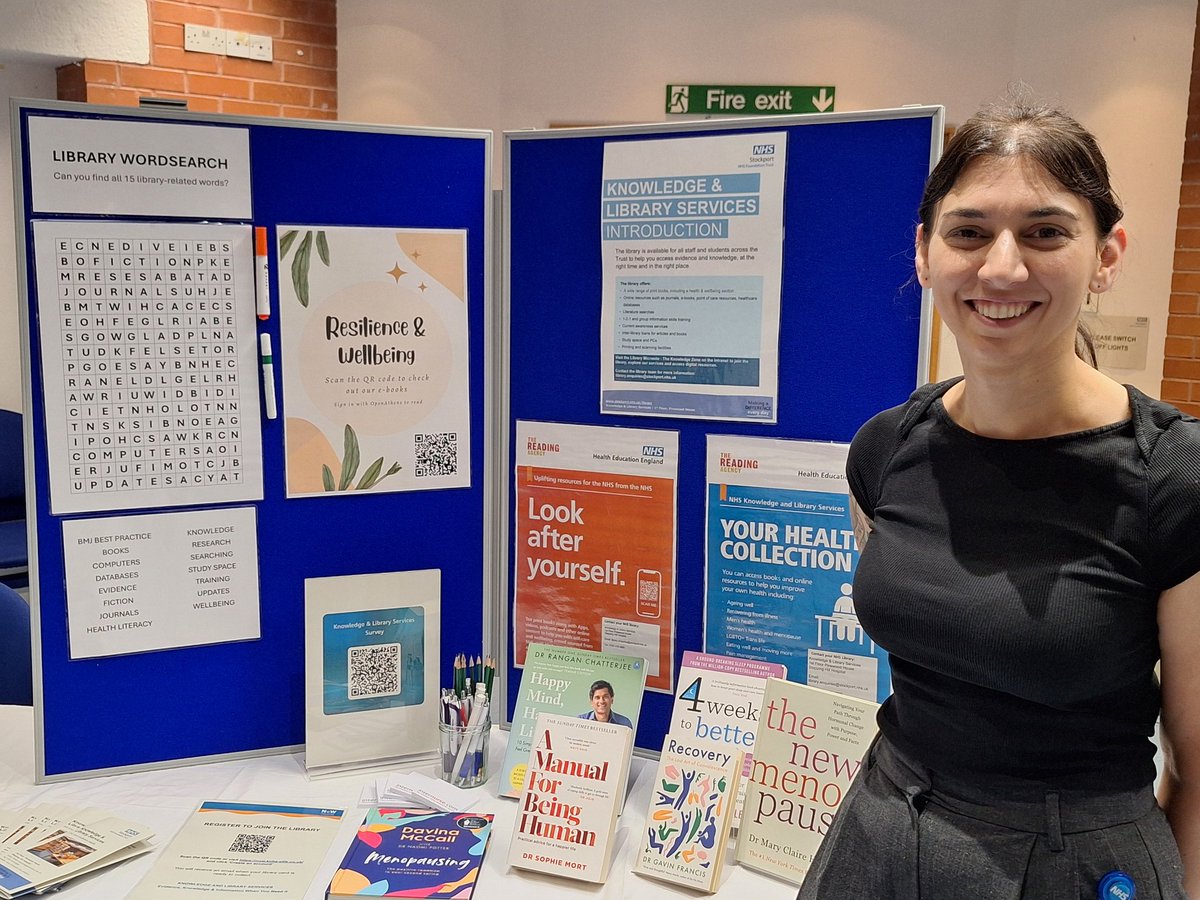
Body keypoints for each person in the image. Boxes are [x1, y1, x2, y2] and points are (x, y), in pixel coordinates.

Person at [797, 96, 1200, 899]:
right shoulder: (886, 449)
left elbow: (1197, 764)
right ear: (924, 252)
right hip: (880, 827)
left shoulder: (1173, 476)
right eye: (969, 232)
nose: (1002, 268)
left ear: (1107, 255)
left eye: (1046, 232)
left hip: (1073, 858)